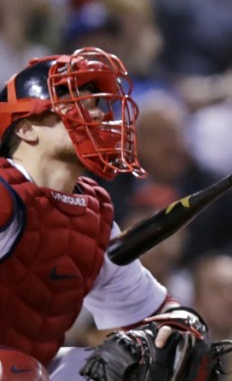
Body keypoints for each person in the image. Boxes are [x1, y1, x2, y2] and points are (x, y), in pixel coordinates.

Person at [0, 47, 212, 373]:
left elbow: (148, 309)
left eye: (95, 103)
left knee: (153, 364)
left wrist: (179, 322)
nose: (97, 114)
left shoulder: (91, 215)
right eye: (74, 101)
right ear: (25, 128)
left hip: (33, 368)